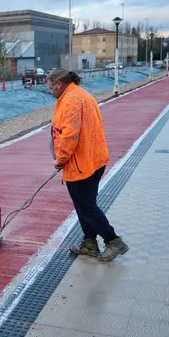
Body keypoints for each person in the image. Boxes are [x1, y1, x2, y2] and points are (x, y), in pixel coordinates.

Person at [47, 69, 128, 261]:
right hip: (93, 159)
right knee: (83, 205)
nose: (50, 91)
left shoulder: (71, 101)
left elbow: (69, 136)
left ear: (59, 84)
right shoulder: (81, 95)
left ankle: (114, 241)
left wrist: (60, 159)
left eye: (50, 87)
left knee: (87, 207)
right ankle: (90, 243)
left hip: (81, 164)